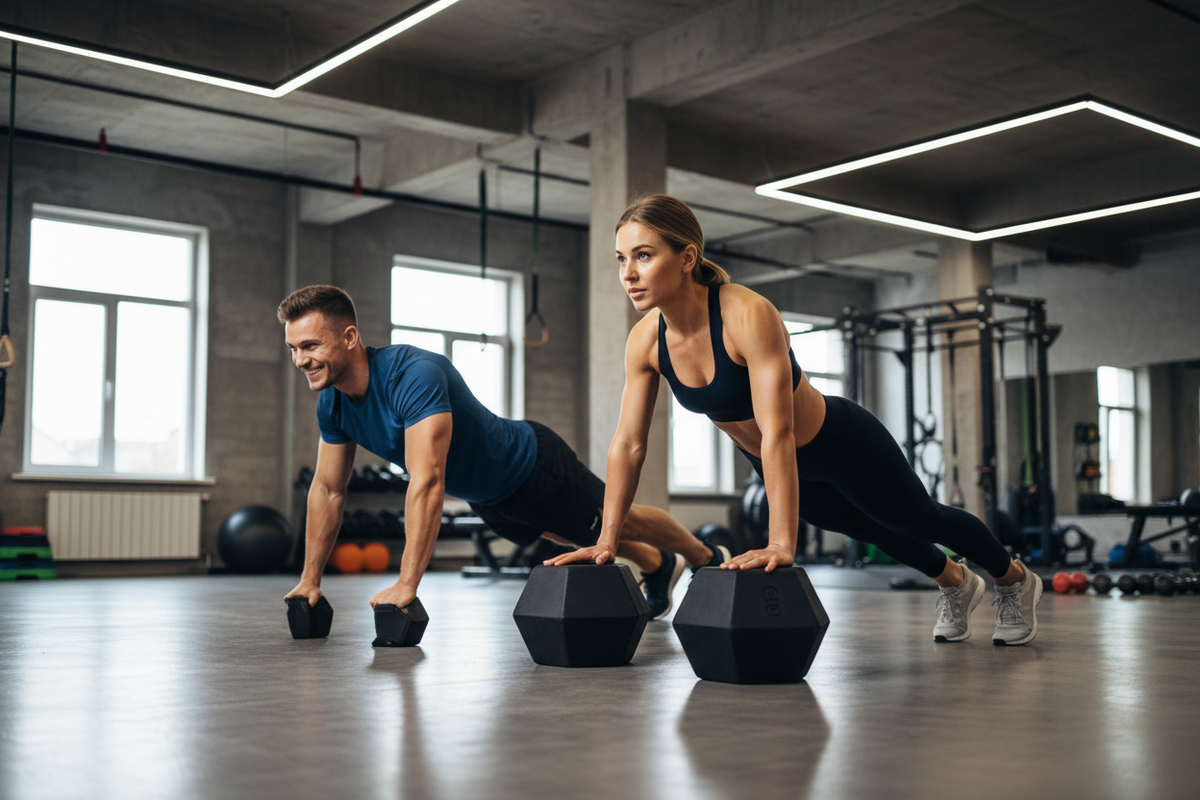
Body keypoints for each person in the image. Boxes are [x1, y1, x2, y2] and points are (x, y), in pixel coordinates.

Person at [546, 195, 1043, 646]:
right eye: (621, 259)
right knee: (874, 531)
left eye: (644, 255)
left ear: (688, 257)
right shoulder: (646, 340)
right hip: (771, 458)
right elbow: (629, 443)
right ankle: (955, 582)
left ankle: (1013, 579)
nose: (628, 273)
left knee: (914, 517)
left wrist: (781, 543)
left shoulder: (747, 315)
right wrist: (607, 540)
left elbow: (778, 430)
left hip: (839, 442)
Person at [278, 285, 726, 622]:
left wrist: (407, 585)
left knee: (614, 517)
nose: (301, 360)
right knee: (572, 535)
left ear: (350, 337)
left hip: (531, 465)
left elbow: (427, 480)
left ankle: (705, 556)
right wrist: (310, 579)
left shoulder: (412, 375)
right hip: (489, 495)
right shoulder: (332, 404)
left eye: (311, 346)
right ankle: (659, 563)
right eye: (294, 348)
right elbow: (328, 490)